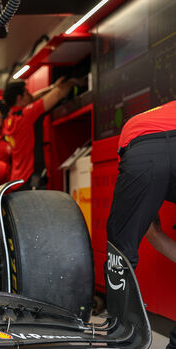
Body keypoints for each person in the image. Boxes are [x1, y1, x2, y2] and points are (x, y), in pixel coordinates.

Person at [105, 100, 176, 348]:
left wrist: (149, 222)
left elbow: (149, 230)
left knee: (120, 255)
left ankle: (121, 338)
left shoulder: (146, 116)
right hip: (139, 141)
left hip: (139, 145)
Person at [2, 77, 79, 190]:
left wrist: (52, 87)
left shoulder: (9, 120)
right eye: (27, 92)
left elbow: (33, 98)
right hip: (31, 178)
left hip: (17, 179)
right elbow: (58, 94)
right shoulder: (28, 114)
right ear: (20, 98)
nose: (31, 95)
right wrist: (73, 81)